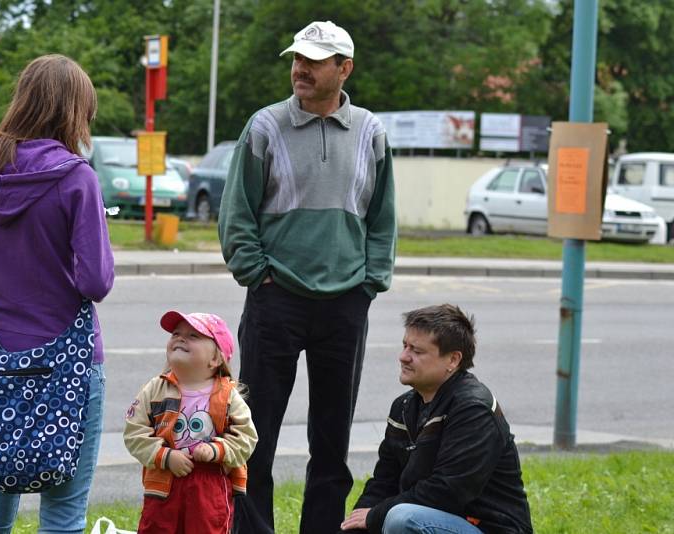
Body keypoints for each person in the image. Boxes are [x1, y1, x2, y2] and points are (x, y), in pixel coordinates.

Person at [218, 20, 396, 534]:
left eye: (315, 61)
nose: (301, 69)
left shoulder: (371, 132)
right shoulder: (265, 126)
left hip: (345, 305)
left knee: (332, 440)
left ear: (344, 69)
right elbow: (237, 215)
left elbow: (382, 218)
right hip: (276, 302)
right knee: (256, 438)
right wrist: (258, 274)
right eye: (297, 58)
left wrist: (370, 283)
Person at [0, 54, 115, 533]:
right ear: (74, 110)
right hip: (69, 364)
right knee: (63, 515)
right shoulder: (78, 178)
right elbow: (96, 282)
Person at [340, 304, 533, 534]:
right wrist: (355, 526)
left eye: (417, 351)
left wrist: (375, 516)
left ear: (453, 360)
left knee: (403, 519)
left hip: (488, 527)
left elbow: (447, 492)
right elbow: (384, 481)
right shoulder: (404, 407)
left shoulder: (473, 409)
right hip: (439, 520)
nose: (403, 357)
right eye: (404, 346)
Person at [123, 311, 258, 534]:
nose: (180, 338)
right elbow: (134, 432)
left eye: (193, 336)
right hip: (164, 480)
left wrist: (217, 450)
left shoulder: (228, 396)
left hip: (210, 483)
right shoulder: (155, 389)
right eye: (176, 333)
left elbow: (246, 438)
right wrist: (164, 456)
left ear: (216, 359)